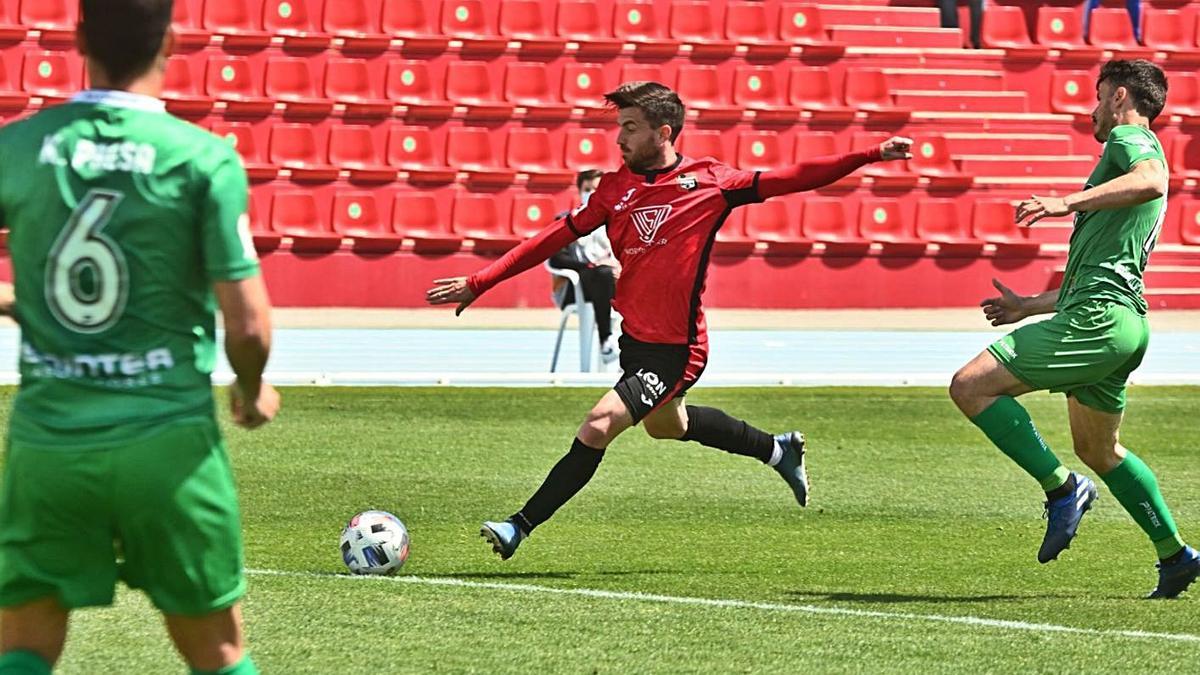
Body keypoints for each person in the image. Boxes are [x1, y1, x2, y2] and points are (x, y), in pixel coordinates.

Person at [428, 81, 911, 559]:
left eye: (631, 128)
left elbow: (796, 175)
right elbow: (553, 238)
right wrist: (482, 281)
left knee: (599, 424)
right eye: (619, 127)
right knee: (667, 426)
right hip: (637, 340)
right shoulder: (613, 189)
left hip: (679, 348)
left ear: (664, 133)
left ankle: (518, 526)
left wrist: (869, 154)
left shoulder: (711, 182)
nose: (619, 139)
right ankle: (776, 450)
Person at [0, 1, 280, 673]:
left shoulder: (19, 146)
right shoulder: (203, 160)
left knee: (23, 646)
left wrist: (22, 302)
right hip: (168, 444)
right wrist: (249, 388)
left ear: (78, 39)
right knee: (218, 650)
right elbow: (247, 324)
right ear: (171, 41)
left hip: (51, 444)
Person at [949, 59, 1197, 599]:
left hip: (1098, 321)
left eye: (1097, 93)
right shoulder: (1131, 159)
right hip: (1123, 323)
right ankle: (1175, 555)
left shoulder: (1131, 138)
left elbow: (1151, 181)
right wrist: (1031, 306)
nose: (1092, 107)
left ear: (1119, 96)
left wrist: (1064, 201)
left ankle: (1062, 490)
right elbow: (1102, 270)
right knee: (1101, 450)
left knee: (970, 386)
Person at [549, 170, 621, 365]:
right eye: (587, 189)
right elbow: (556, 259)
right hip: (576, 288)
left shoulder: (617, 221)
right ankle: (606, 340)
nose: (591, 193)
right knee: (601, 273)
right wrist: (589, 265)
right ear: (579, 191)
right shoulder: (566, 221)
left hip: (614, 283)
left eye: (596, 189)